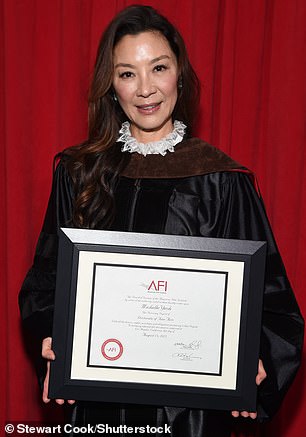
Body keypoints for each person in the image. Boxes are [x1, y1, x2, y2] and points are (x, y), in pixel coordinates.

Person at [19, 5, 304, 437]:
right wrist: (49, 336)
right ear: (111, 86)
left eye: (159, 68)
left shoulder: (222, 181)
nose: (145, 89)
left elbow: (271, 301)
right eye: (127, 73)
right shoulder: (78, 174)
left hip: (188, 416)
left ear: (180, 76)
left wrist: (254, 359)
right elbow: (46, 280)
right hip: (100, 406)